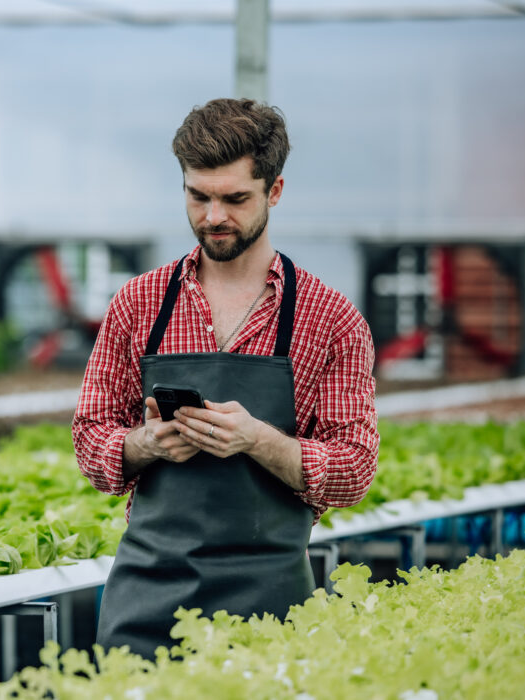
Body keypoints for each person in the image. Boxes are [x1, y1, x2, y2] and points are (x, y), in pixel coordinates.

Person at [72, 98, 380, 660]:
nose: (213, 216)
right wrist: (144, 444)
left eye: (235, 199)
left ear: (275, 191)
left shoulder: (329, 318)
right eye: (198, 196)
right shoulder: (138, 303)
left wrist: (258, 439)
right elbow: (92, 439)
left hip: (272, 607)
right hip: (147, 599)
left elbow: (354, 471)